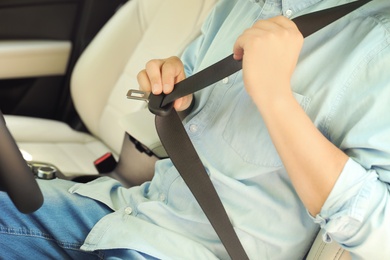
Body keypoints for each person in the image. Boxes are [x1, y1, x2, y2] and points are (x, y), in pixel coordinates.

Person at [1, 0, 390, 258]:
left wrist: (275, 97)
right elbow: (188, 105)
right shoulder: (240, 5)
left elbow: (380, 233)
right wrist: (173, 87)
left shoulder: (380, 47)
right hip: (129, 210)